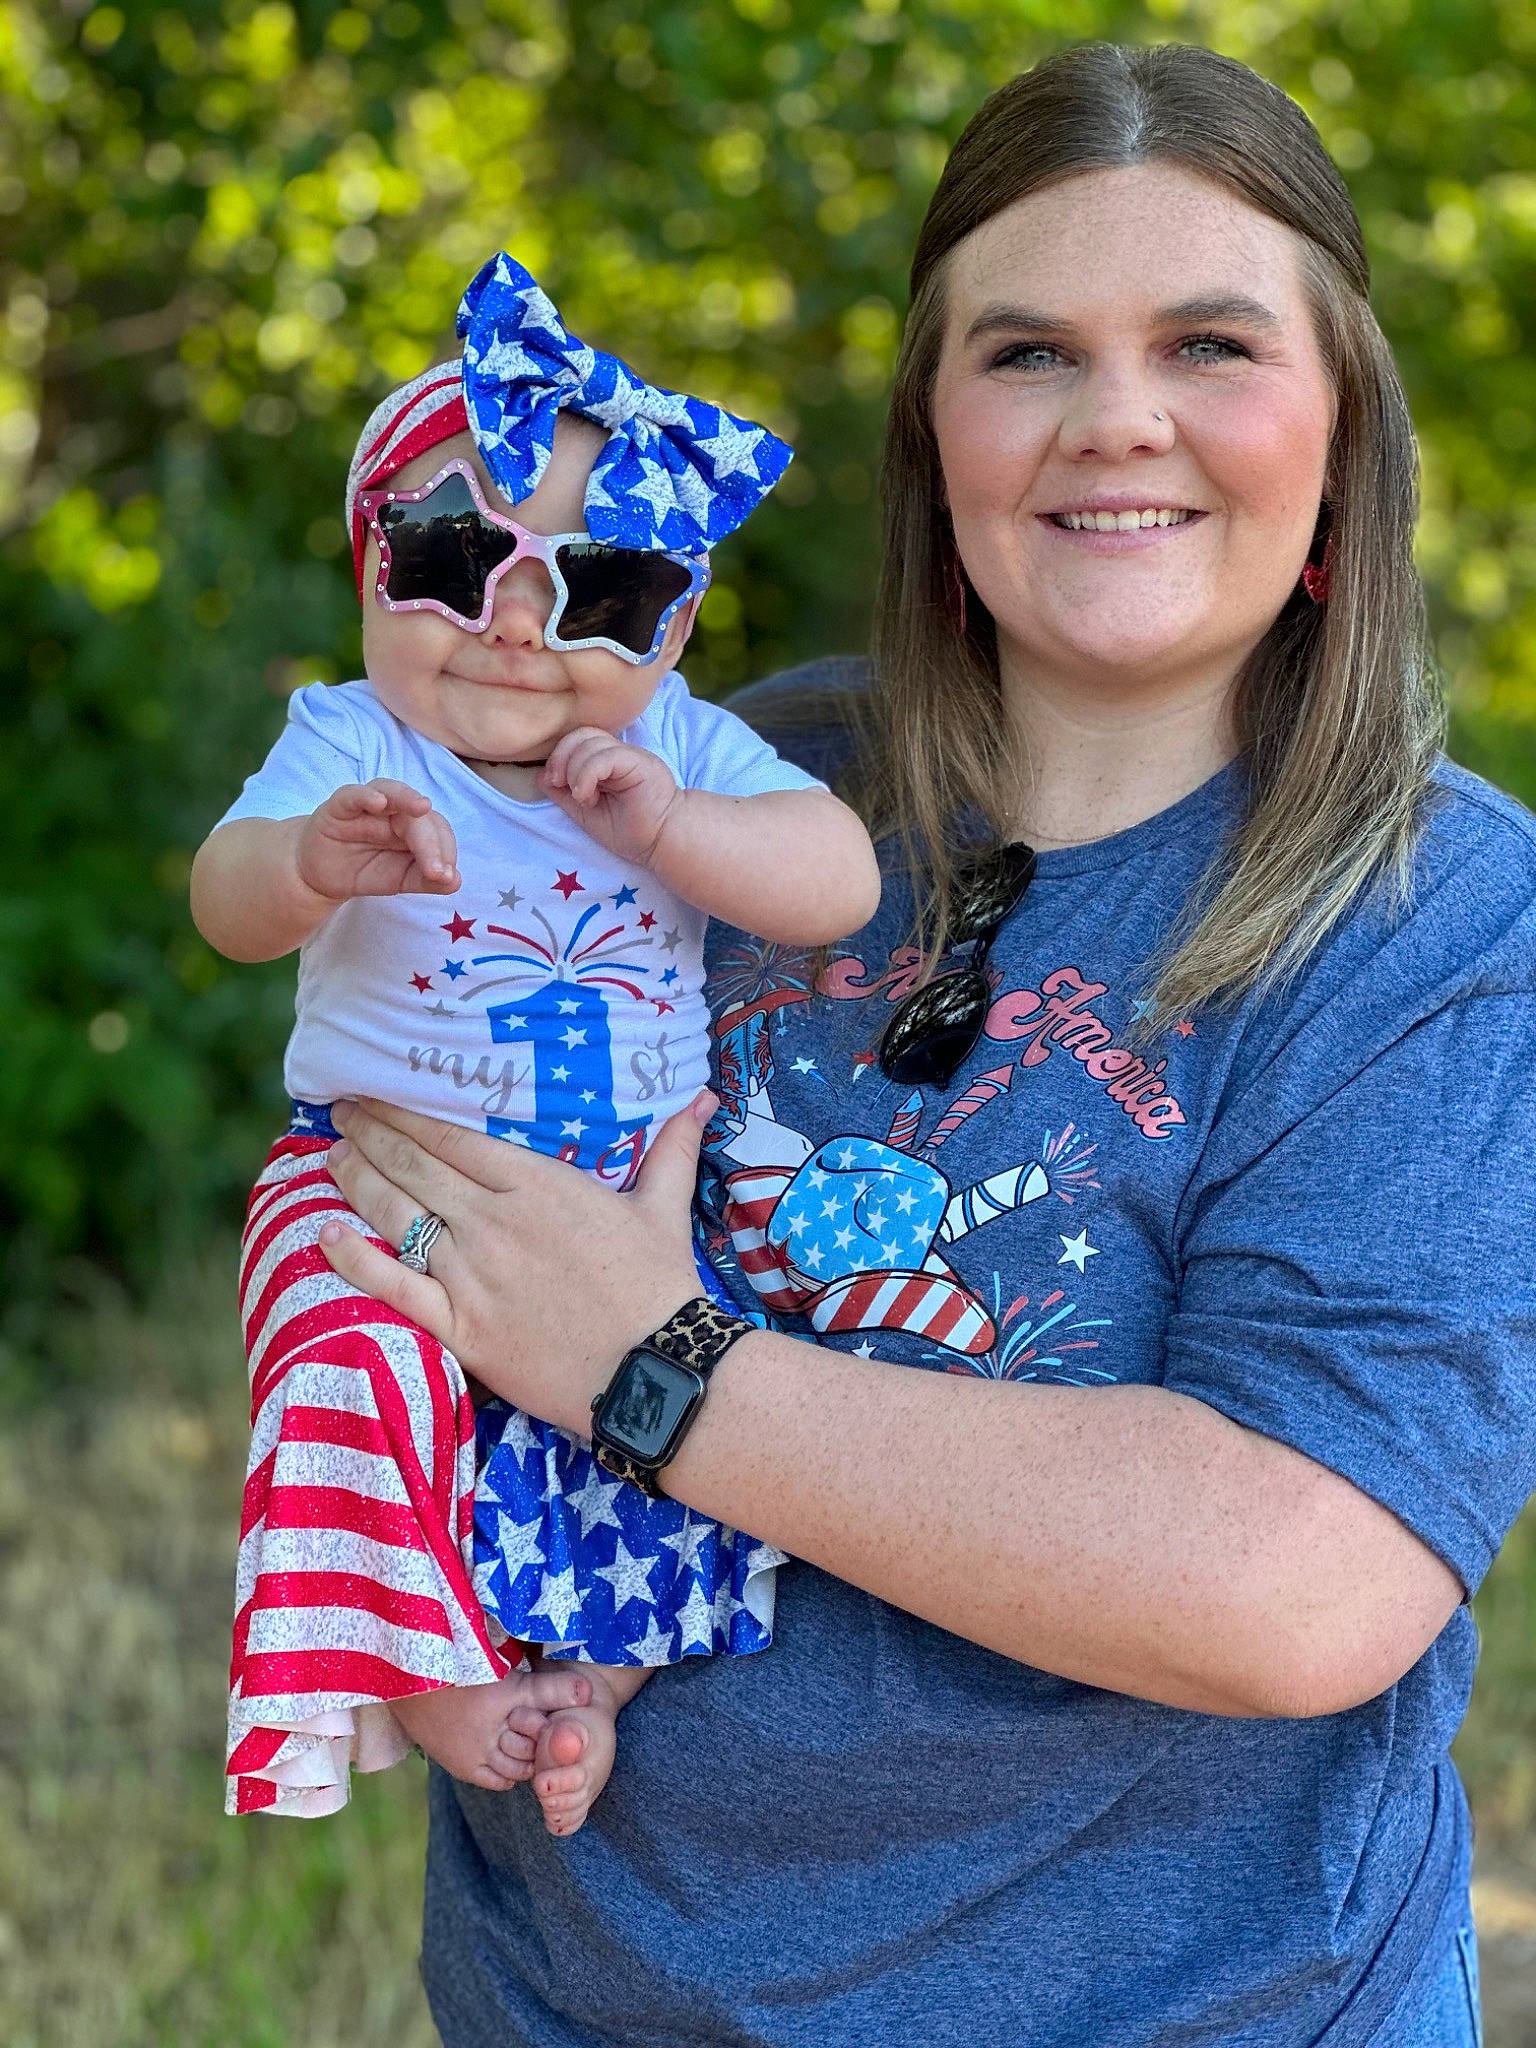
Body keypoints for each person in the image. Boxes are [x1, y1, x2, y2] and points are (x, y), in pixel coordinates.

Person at [316, 42, 1535, 2048]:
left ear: (1339, 421)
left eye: (1211, 342)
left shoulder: (1443, 923)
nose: (1115, 420)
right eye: (1029, 352)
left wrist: (659, 1359)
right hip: (574, 1995)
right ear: (933, 427)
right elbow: (412, 1174)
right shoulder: (713, 778)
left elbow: (1299, 1580)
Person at [190, 252, 880, 1827]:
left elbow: (834, 879)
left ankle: (598, 1679)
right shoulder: (354, 741)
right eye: (454, 557)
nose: (516, 625)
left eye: (601, 588)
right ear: (371, 561)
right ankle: (421, 1662)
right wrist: (308, 864)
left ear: (675, 625)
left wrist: (682, 826)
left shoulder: (679, 745)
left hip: (633, 1199)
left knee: (689, 1406)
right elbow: (226, 903)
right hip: (376, 1182)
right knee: (354, 1361)